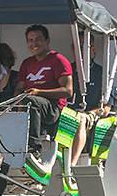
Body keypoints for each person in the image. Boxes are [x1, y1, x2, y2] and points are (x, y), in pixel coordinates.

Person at [14, 24, 74, 154]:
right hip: (28, 103)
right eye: (30, 40)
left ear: (47, 41)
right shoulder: (26, 63)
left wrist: (39, 92)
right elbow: (19, 88)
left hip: (53, 109)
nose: (34, 43)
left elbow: (68, 91)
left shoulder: (58, 60)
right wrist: (17, 102)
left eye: (38, 39)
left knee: (30, 101)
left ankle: (33, 147)